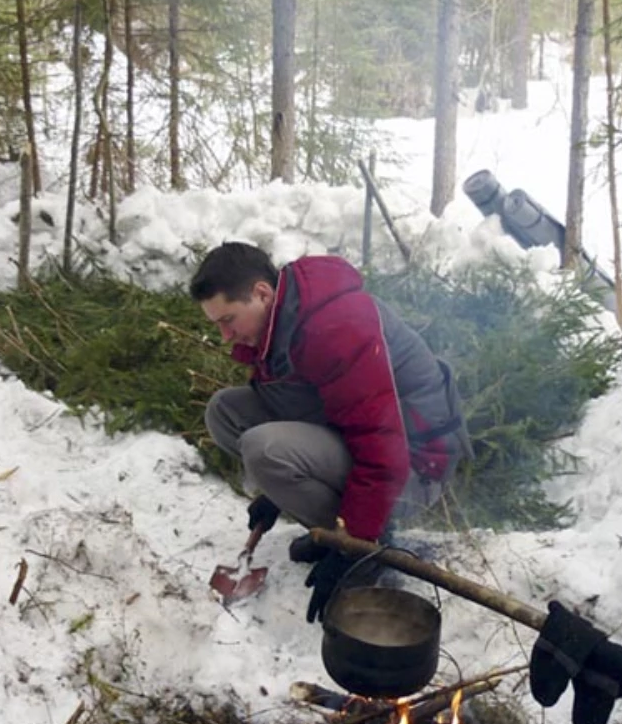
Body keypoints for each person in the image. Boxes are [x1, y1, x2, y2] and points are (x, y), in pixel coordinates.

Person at [189, 242, 472, 623]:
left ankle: (370, 544)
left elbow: (381, 447)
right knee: (225, 411)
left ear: (262, 293)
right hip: (366, 446)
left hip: (413, 467)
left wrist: (352, 550)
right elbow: (305, 409)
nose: (225, 335)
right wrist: (274, 494)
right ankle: (334, 526)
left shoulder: (334, 326)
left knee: (263, 450)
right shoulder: (281, 326)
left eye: (228, 319)